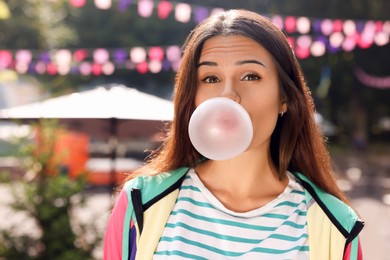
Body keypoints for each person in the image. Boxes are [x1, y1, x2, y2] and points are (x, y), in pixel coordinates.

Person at [103, 9, 364, 260]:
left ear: (285, 97)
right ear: (192, 98)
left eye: (250, 76)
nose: (228, 95)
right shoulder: (141, 201)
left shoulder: (336, 225)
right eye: (211, 78)